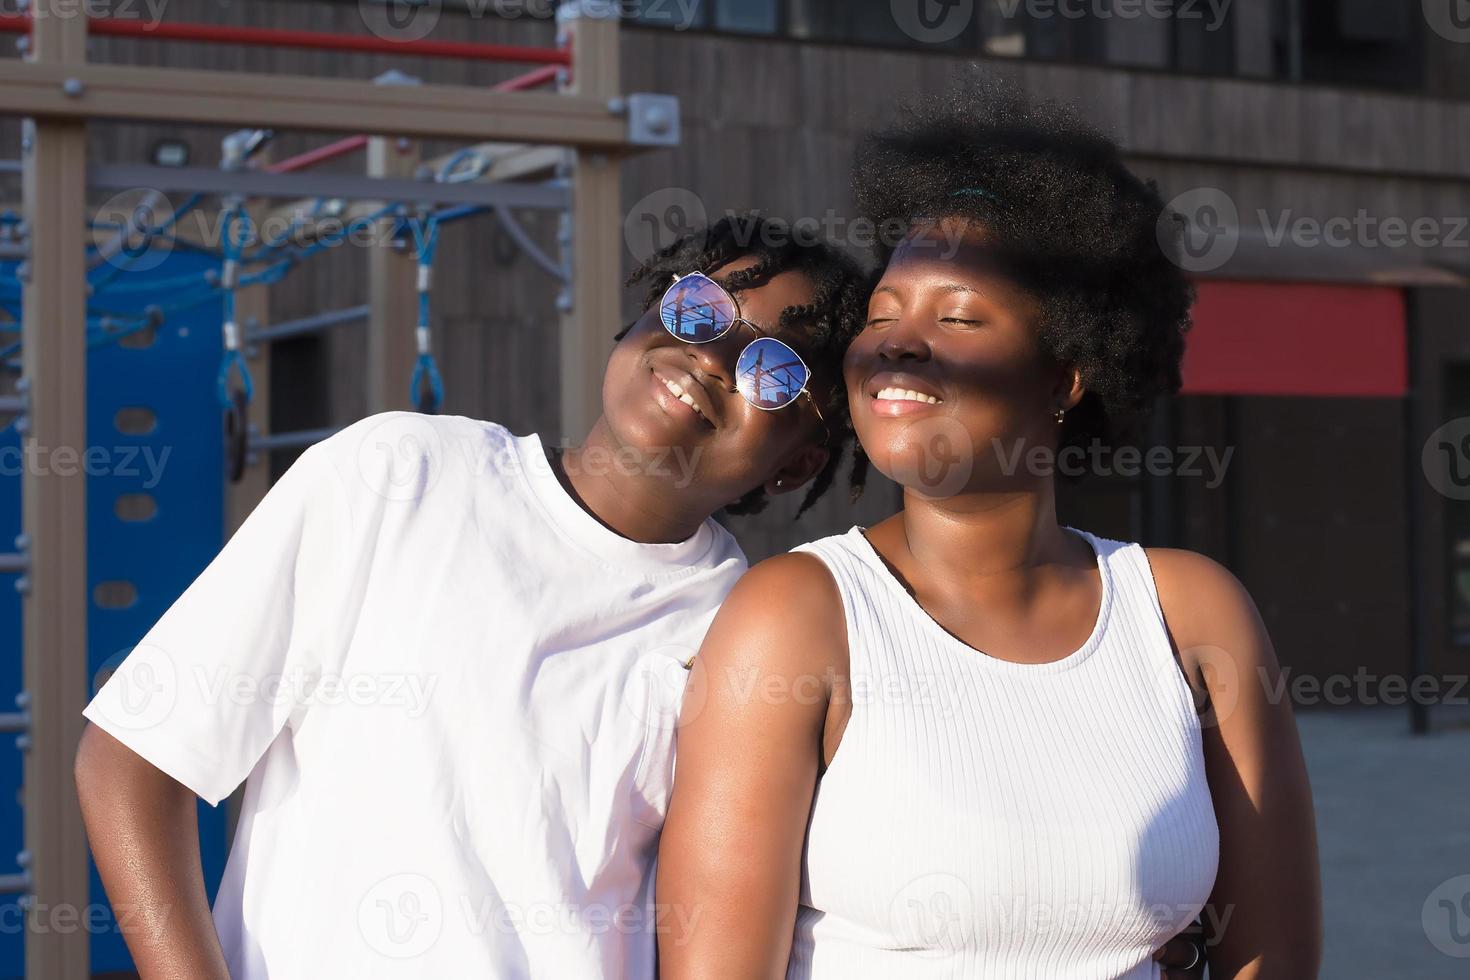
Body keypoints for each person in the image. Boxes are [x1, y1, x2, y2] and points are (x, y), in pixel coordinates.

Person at [73, 214, 870, 979]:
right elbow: (135, 760)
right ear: (646, 312)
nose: (712, 357)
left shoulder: (753, 629)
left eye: (773, 369)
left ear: (797, 464)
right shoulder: (397, 475)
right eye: (700, 310)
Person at [657, 82, 1322, 979]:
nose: (897, 343)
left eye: (959, 317)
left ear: (1067, 377)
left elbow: (1270, 958)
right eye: (883, 317)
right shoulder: (797, 615)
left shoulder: (1190, 612)